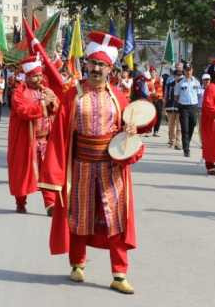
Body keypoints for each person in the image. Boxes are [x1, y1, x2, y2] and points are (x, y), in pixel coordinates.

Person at [40, 31, 142, 295]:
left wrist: (131, 132)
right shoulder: (72, 94)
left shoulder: (119, 98)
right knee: (79, 217)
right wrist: (55, 176)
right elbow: (60, 132)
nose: (96, 69)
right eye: (93, 63)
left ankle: (119, 274)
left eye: (102, 65)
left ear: (110, 68)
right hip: (81, 165)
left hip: (111, 167)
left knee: (115, 220)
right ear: (86, 64)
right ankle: (77, 263)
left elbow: (129, 131)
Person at [7, 55, 59, 214]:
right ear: (28, 76)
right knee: (23, 173)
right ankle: (20, 202)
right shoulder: (19, 93)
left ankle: (50, 204)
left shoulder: (46, 90)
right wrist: (43, 105)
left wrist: (53, 103)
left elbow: (56, 106)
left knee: (48, 173)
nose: (39, 78)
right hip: (26, 141)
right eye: (35, 76)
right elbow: (24, 111)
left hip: (45, 141)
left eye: (40, 75)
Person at [174, 63, 200, 157]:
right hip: (183, 107)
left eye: (190, 70)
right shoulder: (180, 82)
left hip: (193, 106)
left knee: (192, 125)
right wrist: (180, 104)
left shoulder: (196, 82)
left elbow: (199, 94)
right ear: (184, 71)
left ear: (192, 70)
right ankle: (186, 149)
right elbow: (176, 96)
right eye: (186, 70)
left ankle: (187, 142)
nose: (188, 72)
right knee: (185, 128)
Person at [164, 68, 183, 150]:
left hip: (180, 107)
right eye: (177, 75)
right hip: (170, 106)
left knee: (179, 126)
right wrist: (163, 108)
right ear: (174, 76)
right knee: (171, 125)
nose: (179, 77)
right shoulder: (169, 85)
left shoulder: (183, 85)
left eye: (180, 75)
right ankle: (171, 140)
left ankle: (178, 142)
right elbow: (166, 96)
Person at [150, 67, 164, 137]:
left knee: (159, 115)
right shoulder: (148, 81)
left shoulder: (159, 80)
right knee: (151, 115)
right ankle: (149, 130)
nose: (153, 73)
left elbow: (161, 87)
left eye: (154, 72)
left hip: (159, 99)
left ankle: (156, 131)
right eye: (151, 72)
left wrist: (161, 82)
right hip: (151, 100)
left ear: (156, 73)